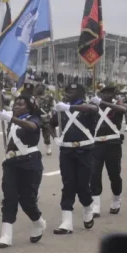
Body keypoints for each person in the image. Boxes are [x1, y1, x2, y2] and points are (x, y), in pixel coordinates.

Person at [0, 92, 47, 248]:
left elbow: (32, 127)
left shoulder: (33, 119)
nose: (16, 106)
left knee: (27, 200)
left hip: (29, 162)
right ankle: (6, 235)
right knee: (9, 198)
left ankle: (38, 222)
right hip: (11, 163)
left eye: (21, 104)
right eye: (15, 104)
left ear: (29, 108)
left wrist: (11, 119)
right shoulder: (12, 121)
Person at [53, 82, 100, 234]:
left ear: (81, 93)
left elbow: (92, 109)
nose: (67, 94)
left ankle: (88, 208)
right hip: (66, 151)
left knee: (82, 186)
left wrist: (69, 107)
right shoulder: (62, 109)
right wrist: (55, 138)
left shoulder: (88, 107)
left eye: (71, 91)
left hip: (85, 151)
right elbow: (49, 124)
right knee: (68, 184)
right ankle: (66, 222)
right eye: (66, 91)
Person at [90, 84, 127, 217]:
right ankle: (96, 204)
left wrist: (103, 102)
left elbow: (123, 110)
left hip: (113, 144)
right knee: (94, 174)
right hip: (97, 144)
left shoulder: (116, 106)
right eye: (105, 93)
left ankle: (116, 199)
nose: (108, 95)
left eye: (110, 93)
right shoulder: (95, 106)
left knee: (114, 174)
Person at [35, 83, 57, 155]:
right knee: (35, 134)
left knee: (46, 134)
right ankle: (34, 148)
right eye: (38, 88)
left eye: (41, 88)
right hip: (36, 118)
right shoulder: (33, 97)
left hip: (46, 118)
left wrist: (52, 115)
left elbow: (52, 107)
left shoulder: (49, 97)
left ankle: (48, 148)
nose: (39, 89)